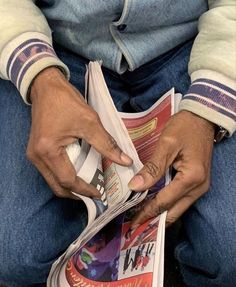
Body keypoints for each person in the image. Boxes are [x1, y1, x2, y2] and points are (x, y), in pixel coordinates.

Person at [0, 1, 235, 286]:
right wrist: (38, 75)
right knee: (14, 256)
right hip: (52, 44)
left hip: (199, 45)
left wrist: (209, 106)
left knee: (228, 252)